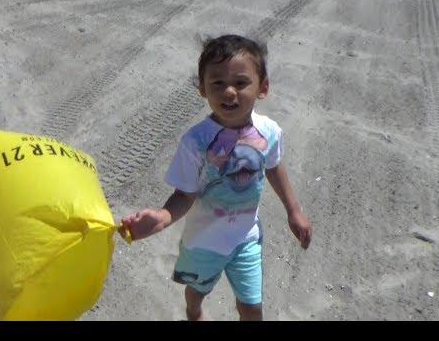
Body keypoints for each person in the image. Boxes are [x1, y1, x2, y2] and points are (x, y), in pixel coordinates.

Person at [119, 34, 313, 321]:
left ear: (263, 87)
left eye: (241, 82)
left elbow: (273, 166)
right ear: (202, 89)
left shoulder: (269, 131)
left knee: (251, 308)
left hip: (246, 238)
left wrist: (294, 211)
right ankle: (193, 311)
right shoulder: (196, 141)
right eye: (217, 83)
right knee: (197, 291)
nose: (229, 92)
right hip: (204, 241)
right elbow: (185, 194)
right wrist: (163, 217)